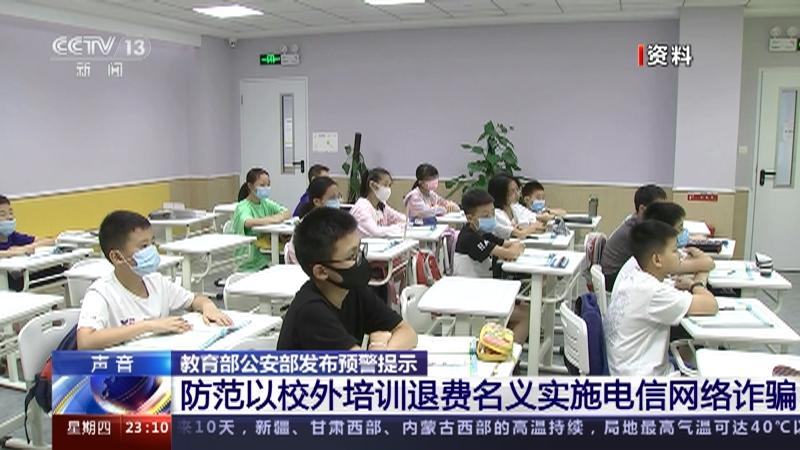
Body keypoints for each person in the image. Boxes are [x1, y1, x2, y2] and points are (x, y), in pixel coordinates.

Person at [77, 211, 232, 350]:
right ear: (117, 257)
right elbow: (85, 341)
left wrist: (208, 306)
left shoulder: (156, 282)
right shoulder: (101, 293)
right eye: (144, 246)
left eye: (152, 243)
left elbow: (194, 300)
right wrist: (148, 326)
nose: (152, 250)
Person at [277, 207, 417, 350]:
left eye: (359, 250)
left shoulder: (352, 290)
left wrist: (384, 348)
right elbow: (359, 363)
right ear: (321, 271)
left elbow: (407, 333)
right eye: (351, 256)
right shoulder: (311, 312)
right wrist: (380, 346)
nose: (360, 260)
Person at [604, 220, 717, 376]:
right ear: (657, 259)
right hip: (645, 382)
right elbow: (711, 305)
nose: (680, 255)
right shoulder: (653, 292)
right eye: (674, 251)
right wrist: (695, 284)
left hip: (625, 370)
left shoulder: (635, 277)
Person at [453, 189, 529, 344]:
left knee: (523, 306)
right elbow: (510, 252)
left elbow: (512, 245)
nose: (491, 218)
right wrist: (510, 252)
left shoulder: (483, 233)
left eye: (493, 214)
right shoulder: (469, 237)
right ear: (470, 218)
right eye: (485, 215)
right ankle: (505, 353)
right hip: (471, 296)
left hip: (485, 291)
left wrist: (512, 250)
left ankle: (499, 346)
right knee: (526, 315)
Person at [600, 184, 667, 288]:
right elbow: (655, 261)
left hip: (616, 272)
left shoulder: (638, 222)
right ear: (642, 209)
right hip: (613, 276)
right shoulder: (637, 231)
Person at [232, 168, 290, 270]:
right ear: (250, 186)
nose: (266, 188)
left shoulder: (265, 202)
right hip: (248, 260)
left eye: (268, 185)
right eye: (262, 185)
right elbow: (248, 222)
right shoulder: (243, 206)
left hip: (265, 256)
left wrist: (278, 217)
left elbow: (287, 212)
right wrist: (273, 219)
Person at [0, 194, 58, 291]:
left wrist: (26, 248)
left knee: (58, 270)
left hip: (18, 278)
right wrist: (12, 253)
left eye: (10, 213)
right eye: (2, 215)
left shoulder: (13, 236)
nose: (9, 217)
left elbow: (50, 241)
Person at [642, 202, 715, 276]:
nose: (683, 230)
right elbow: (709, 263)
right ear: (667, 230)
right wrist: (696, 251)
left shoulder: (659, 251)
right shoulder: (666, 260)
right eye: (680, 227)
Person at [286, 176, 341, 264]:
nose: (338, 201)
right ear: (317, 202)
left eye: (338, 197)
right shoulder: (309, 226)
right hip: (305, 267)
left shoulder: (329, 220)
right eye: (332, 198)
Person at [349, 168, 406, 238]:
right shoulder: (362, 207)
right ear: (373, 185)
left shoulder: (382, 205)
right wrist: (398, 227)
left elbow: (403, 219)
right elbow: (375, 232)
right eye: (385, 185)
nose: (388, 189)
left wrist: (401, 225)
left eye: (389, 186)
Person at [487, 174, 545, 240]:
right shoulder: (495, 214)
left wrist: (525, 228)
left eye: (517, 190)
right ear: (501, 193)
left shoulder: (515, 207)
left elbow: (538, 222)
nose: (517, 194)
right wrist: (529, 228)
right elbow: (520, 234)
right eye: (512, 191)